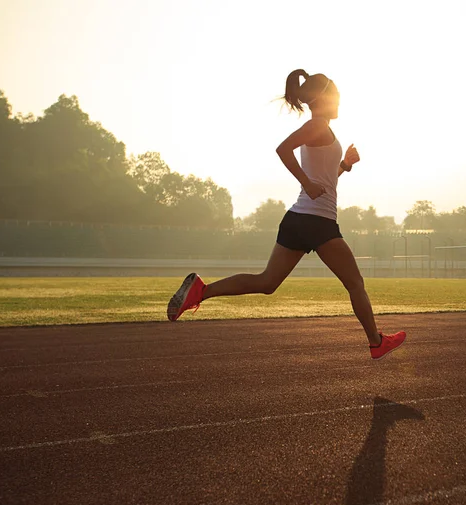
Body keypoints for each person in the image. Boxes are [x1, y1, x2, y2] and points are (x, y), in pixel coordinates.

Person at [167, 69, 406, 360]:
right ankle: (376, 342)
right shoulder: (317, 125)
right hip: (317, 221)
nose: (340, 103)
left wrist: (344, 165)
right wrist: (305, 182)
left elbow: (325, 182)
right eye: (337, 98)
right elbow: (283, 150)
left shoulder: (322, 128)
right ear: (323, 98)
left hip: (300, 217)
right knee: (355, 283)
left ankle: (200, 292)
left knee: (267, 283)